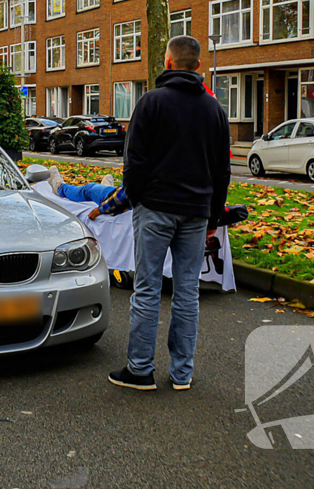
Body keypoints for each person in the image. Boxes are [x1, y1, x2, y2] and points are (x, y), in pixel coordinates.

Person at [93, 35, 231, 392]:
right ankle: (182, 373)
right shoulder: (214, 110)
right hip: (196, 213)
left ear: (168, 62)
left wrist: (137, 199)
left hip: (155, 208)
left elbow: (134, 161)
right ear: (198, 66)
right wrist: (213, 218)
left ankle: (140, 370)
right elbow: (222, 171)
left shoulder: (150, 102)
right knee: (187, 293)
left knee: (147, 289)